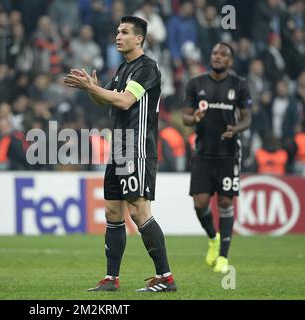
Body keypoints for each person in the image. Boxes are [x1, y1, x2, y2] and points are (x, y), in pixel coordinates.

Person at [64, 16, 176, 292]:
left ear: (139, 38)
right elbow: (106, 101)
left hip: (137, 148)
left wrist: (93, 88)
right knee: (113, 211)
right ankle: (111, 279)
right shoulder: (122, 69)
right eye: (117, 31)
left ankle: (165, 276)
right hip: (119, 147)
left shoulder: (147, 68)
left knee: (139, 210)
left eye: (125, 32)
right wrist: (92, 89)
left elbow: (125, 101)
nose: (118, 36)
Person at [182, 42, 252, 273]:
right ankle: (213, 237)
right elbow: (186, 118)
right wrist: (196, 118)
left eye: (224, 54)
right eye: (214, 53)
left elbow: (247, 119)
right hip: (202, 152)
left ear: (230, 61)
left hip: (228, 153)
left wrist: (236, 129)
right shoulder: (195, 83)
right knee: (200, 204)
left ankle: (223, 256)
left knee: (224, 201)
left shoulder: (240, 86)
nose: (218, 57)